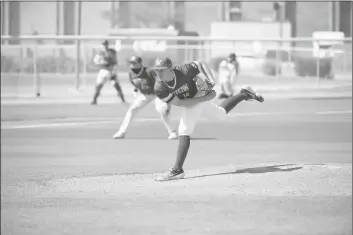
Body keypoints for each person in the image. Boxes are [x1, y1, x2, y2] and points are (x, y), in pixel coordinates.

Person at [152, 57, 264, 181]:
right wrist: (205, 98)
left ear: (170, 68)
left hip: (199, 93)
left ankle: (177, 170)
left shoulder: (184, 70)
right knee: (220, 113)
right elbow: (179, 102)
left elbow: (200, 63)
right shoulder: (159, 87)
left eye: (161, 70)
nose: (158, 73)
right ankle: (245, 94)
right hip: (194, 99)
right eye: (156, 70)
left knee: (184, 130)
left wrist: (211, 81)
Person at [112, 56, 178, 140]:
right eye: (131, 63)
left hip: (158, 94)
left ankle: (172, 132)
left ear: (140, 63)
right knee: (132, 110)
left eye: (134, 63)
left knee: (162, 111)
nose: (132, 65)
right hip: (146, 95)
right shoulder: (131, 73)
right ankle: (121, 132)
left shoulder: (148, 71)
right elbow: (134, 84)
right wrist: (135, 90)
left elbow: (161, 81)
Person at [91, 40, 125, 105]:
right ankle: (94, 100)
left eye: (105, 44)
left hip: (110, 70)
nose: (104, 46)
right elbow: (96, 61)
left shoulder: (111, 52)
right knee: (99, 86)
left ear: (107, 44)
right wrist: (101, 62)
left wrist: (109, 62)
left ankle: (123, 100)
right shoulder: (100, 53)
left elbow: (115, 61)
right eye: (103, 44)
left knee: (116, 85)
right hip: (103, 70)